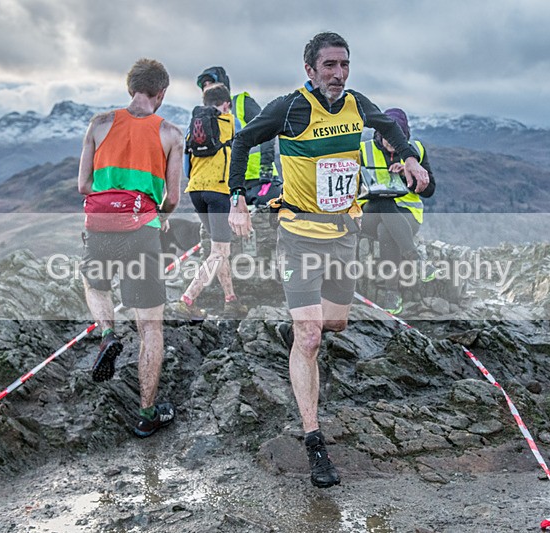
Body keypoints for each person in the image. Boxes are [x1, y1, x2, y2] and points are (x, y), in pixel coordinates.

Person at [228, 32, 430, 488]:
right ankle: (314, 442)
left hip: (344, 234)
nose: (338, 74)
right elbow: (242, 141)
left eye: (344, 65)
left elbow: (391, 129)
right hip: (299, 236)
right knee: (311, 336)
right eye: (329, 66)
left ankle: (299, 329)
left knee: (335, 324)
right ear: (310, 70)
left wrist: (412, 160)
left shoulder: (358, 103)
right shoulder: (290, 108)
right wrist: (237, 197)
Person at [77, 58, 182, 438]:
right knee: (150, 326)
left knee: (94, 284)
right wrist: (157, 210)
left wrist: (111, 196)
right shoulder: (170, 133)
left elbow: (83, 185)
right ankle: (147, 413)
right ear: (162, 94)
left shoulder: (100, 124)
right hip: (142, 231)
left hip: (100, 225)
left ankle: (106, 332)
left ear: (129, 88)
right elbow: (172, 198)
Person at [171, 82, 248, 320]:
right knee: (219, 252)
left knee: (219, 249)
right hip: (219, 192)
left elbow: (186, 166)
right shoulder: (231, 122)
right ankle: (187, 299)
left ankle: (230, 300)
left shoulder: (193, 127)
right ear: (226, 104)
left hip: (196, 191)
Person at [359, 107, 436, 314]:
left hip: (407, 215)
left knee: (387, 230)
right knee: (384, 203)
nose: (391, 144)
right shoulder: (364, 150)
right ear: (379, 134)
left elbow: (429, 190)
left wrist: (406, 176)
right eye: (387, 138)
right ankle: (414, 257)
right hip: (370, 213)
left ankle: (391, 293)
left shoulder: (416, 151)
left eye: (396, 139)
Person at [197, 66, 281, 205]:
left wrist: (266, 168)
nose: (207, 87)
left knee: (265, 225)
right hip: (231, 187)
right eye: (204, 85)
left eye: (211, 82)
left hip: (259, 182)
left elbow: (268, 132)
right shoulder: (204, 120)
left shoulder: (241, 103)